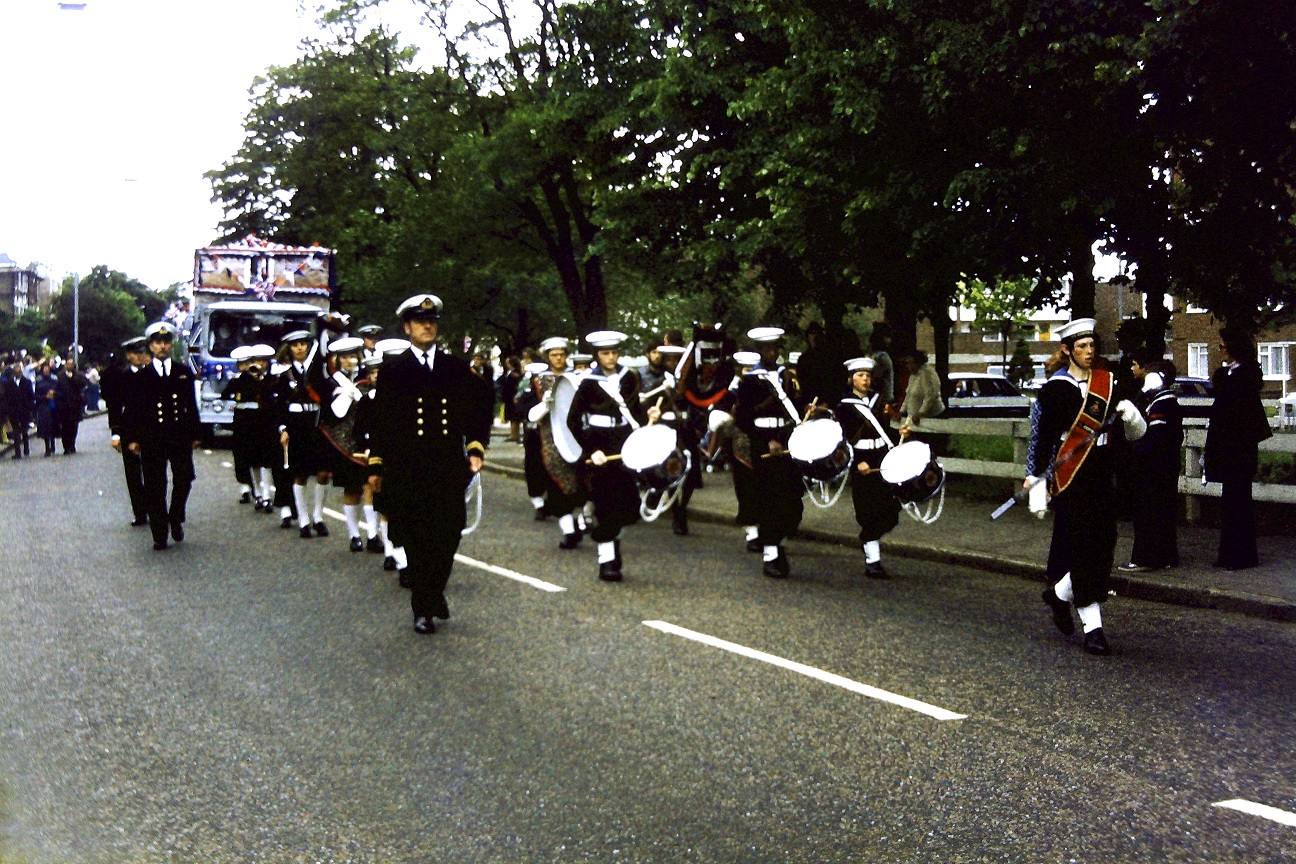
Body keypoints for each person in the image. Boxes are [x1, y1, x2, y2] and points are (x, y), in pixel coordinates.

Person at [367, 294, 494, 634]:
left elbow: (478, 408)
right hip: (407, 467)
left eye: (432, 321)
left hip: (446, 465)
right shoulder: (394, 370)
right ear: (408, 328)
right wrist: (376, 466)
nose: (428, 326)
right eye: (420, 322)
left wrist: (476, 447)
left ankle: (433, 589)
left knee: (449, 533)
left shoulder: (454, 368)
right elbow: (381, 421)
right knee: (418, 538)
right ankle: (423, 606)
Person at [1028, 318, 1146, 655]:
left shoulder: (1107, 382)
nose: (1089, 352)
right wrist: (1037, 480)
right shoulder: (1055, 389)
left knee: (1104, 544)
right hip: (1071, 474)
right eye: (1082, 347)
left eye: (1092, 346)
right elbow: (1044, 439)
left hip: (1103, 472)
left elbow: (1134, 431)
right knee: (1082, 548)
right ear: (1067, 350)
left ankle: (1058, 593)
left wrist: (1131, 416)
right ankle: (1093, 629)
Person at [566, 330, 656, 581]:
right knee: (606, 502)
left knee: (628, 505)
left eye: (614, 352)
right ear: (597, 355)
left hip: (624, 443)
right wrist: (590, 450)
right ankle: (607, 560)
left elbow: (634, 412)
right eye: (605, 353)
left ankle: (610, 540)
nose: (611, 357)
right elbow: (572, 420)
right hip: (599, 445)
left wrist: (648, 420)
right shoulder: (588, 382)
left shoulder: (629, 378)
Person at [123, 321, 203, 551]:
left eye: (166, 342)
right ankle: (160, 532)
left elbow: (191, 405)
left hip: (179, 435)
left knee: (185, 478)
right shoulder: (141, 377)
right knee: (155, 485)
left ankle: (176, 516)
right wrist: (132, 439)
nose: (162, 347)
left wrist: (196, 432)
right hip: (152, 437)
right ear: (150, 346)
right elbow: (132, 411)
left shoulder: (182, 372)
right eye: (158, 342)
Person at [735, 327, 805, 578]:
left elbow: (797, 407)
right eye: (766, 349)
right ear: (758, 352)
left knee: (792, 499)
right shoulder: (751, 380)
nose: (771, 353)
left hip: (787, 442)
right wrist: (766, 442)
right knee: (769, 500)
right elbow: (742, 418)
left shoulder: (788, 377)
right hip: (762, 444)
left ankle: (779, 543)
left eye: (774, 348)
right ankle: (771, 554)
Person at [1204, 326, 1271, 571]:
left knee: (1238, 502)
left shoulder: (1244, 376)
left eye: (1222, 346)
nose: (1219, 350)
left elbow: (1237, 413)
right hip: (1231, 448)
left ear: (1233, 348)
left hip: (1238, 449)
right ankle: (1231, 554)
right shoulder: (1231, 375)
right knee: (1231, 501)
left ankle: (1240, 556)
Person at [835, 357, 902, 578]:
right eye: (860, 375)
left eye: (868, 375)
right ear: (851, 379)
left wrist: (900, 434)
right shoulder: (844, 406)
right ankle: (873, 561)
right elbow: (842, 441)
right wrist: (856, 462)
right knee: (867, 510)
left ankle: (870, 541)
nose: (865, 379)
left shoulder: (878, 401)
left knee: (891, 510)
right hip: (860, 460)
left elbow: (884, 431)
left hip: (881, 458)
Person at [520, 337, 590, 545]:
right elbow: (527, 412)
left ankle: (582, 519)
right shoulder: (537, 380)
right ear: (547, 357)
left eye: (562, 354)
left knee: (585, 480)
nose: (558, 358)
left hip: (579, 435)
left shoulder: (579, 377)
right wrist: (544, 404)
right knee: (556, 481)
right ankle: (568, 531)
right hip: (550, 436)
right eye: (554, 355)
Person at [1121, 354, 1182, 573]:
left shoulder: (1161, 404)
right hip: (1165, 466)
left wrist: (1136, 452)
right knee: (1163, 512)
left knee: (1148, 512)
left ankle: (1145, 558)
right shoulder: (1162, 402)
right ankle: (1166, 556)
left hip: (1155, 468)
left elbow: (1155, 437)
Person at [675, 323, 736, 536]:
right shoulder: (683, 368)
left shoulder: (724, 371)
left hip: (696, 425)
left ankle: (681, 510)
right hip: (678, 425)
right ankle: (673, 507)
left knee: (690, 471)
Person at [272, 330, 332, 538]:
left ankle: (319, 516)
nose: (299, 348)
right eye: (295, 344)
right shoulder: (284, 375)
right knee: (300, 473)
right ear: (289, 348)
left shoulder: (317, 372)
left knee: (323, 472)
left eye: (303, 344)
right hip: (296, 424)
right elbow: (279, 406)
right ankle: (304, 519)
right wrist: (283, 429)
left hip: (316, 423)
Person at [319, 336, 375, 552]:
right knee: (352, 489)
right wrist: (348, 395)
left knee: (370, 485)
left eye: (353, 356)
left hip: (367, 439)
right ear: (338, 360)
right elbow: (332, 415)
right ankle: (354, 534)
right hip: (343, 442)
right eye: (346, 357)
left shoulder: (366, 379)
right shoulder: (331, 383)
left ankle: (372, 534)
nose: (350, 360)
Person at [222, 345, 276, 509]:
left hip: (262, 419)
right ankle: (258, 493)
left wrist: (260, 379)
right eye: (255, 361)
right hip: (244, 419)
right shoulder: (240, 379)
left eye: (262, 361)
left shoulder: (271, 379)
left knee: (265, 459)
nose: (257, 365)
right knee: (250, 458)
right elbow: (226, 394)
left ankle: (267, 495)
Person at [103, 337, 151, 524]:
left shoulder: (152, 375)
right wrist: (115, 434)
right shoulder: (121, 377)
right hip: (129, 430)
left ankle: (154, 507)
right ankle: (139, 512)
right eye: (135, 354)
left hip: (151, 430)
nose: (139, 357)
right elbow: (115, 407)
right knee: (133, 475)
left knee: (152, 472)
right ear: (128, 356)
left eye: (141, 353)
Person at [897, 348, 943, 428]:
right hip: (913, 419)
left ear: (916, 362)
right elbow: (909, 395)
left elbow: (930, 396)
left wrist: (920, 413)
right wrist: (901, 412)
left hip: (930, 418)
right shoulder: (913, 376)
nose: (907, 366)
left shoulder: (927, 373)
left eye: (908, 363)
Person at [54, 357, 87, 454]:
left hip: (75, 405)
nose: (69, 366)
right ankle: (66, 446)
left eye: (71, 364)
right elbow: (57, 388)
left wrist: (72, 378)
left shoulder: (78, 375)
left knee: (74, 426)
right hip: (64, 405)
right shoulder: (60, 376)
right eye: (67, 364)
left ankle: (72, 444)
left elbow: (82, 384)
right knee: (65, 427)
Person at [3, 361, 34, 459]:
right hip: (13, 411)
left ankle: (26, 449)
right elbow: (6, 397)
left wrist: (30, 409)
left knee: (24, 430)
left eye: (19, 371)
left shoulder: (26, 382)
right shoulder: (9, 383)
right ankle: (17, 452)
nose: (17, 372)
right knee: (16, 431)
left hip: (24, 410)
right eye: (15, 371)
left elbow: (31, 396)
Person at [34, 362, 59, 457]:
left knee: (52, 426)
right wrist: (45, 397)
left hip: (53, 406)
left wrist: (54, 394)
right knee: (45, 427)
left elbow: (59, 390)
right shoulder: (39, 380)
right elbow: (36, 395)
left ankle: (52, 444)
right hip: (43, 406)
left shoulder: (54, 379)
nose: (46, 370)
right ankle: (47, 447)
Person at [867, 322, 895, 407]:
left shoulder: (882, 357)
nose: (889, 341)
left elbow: (877, 379)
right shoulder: (877, 356)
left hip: (881, 399)